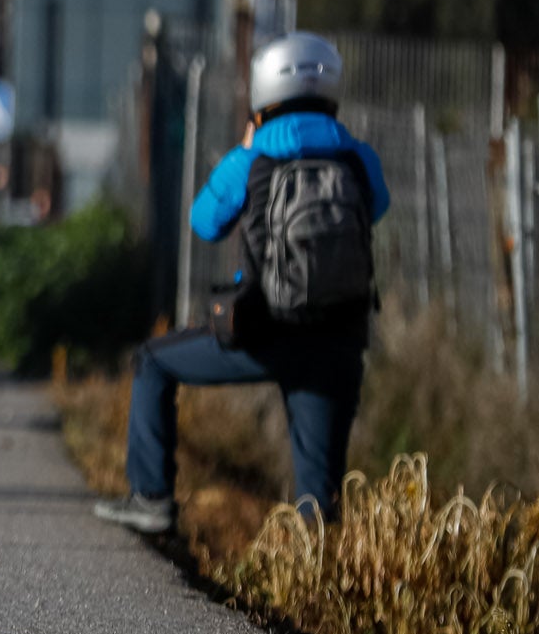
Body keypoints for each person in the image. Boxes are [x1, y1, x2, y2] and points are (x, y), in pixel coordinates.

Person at [94, 32, 387, 534]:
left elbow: (204, 222)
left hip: (262, 333)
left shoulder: (250, 159)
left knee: (153, 361)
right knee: (319, 503)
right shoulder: (358, 158)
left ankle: (152, 498)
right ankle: (315, 588)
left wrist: (245, 153)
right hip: (338, 339)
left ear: (263, 92)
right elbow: (376, 209)